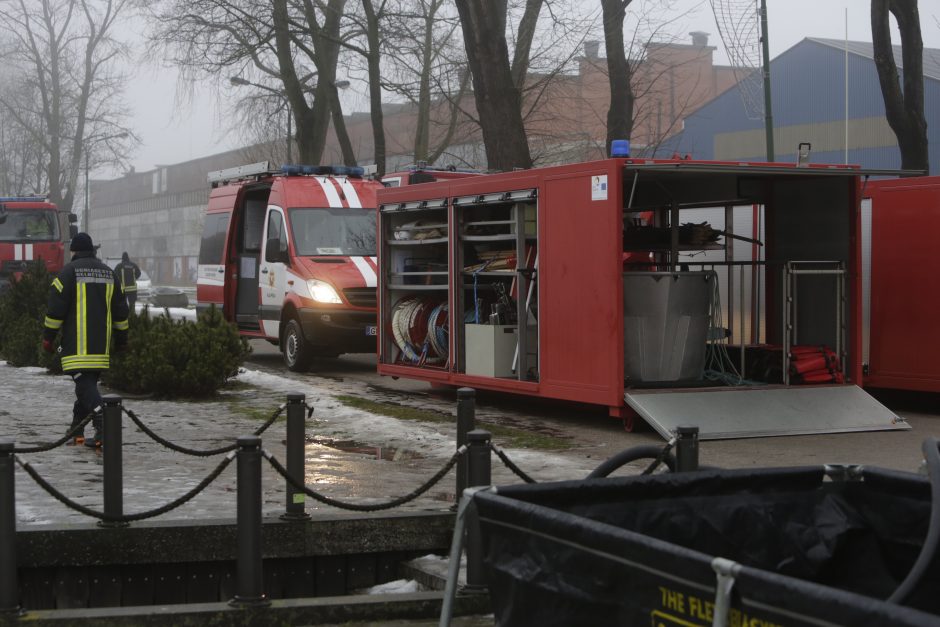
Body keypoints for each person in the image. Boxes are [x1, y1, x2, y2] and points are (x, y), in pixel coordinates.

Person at [42, 232, 129, 448]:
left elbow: (55, 311)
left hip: (76, 345)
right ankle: (76, 430)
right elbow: (121, 313)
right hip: (101, 346)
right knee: (86, 384)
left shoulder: (68, 273)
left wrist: (48, 339)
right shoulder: (110, 274)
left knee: (83, 387)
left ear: (74, 251)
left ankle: (104, 424)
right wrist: (121, 341)